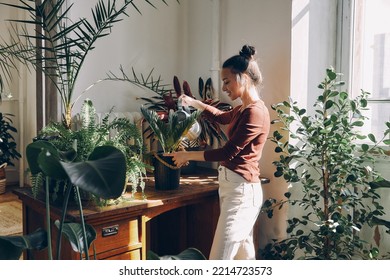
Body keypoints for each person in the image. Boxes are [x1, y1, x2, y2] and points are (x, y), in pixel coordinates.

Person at [165, 44, 270, 260]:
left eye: (227, 81)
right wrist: (194, 102)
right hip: (234, 189)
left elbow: (228, 152)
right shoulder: (243, 109)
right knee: (243, 257)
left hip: (241, 192)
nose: (224, 87)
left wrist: (187, 155)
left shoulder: (255, 113)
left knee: (219, 259)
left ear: (244, 78)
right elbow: (221, 117)